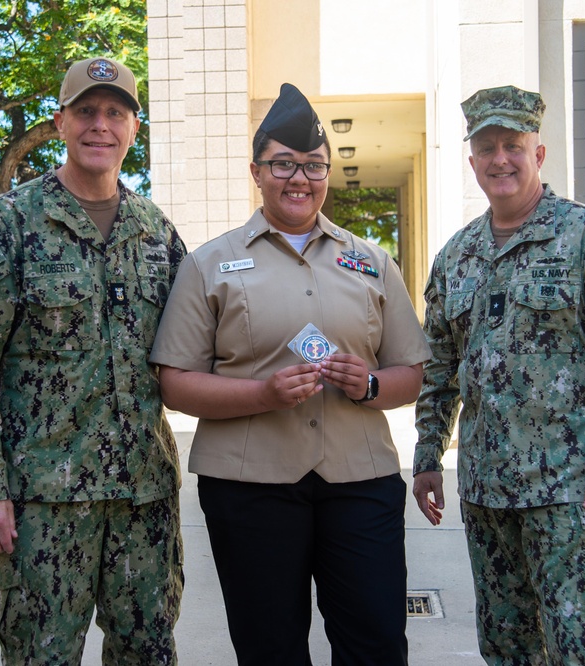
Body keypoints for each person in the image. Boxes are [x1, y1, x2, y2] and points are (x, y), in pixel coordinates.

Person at [150, 83, 430, 665]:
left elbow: (410, 372)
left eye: (313, 166)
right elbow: (175, 383)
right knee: (269, 647)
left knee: (376, 641)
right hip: (250, 488)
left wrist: (370, 384)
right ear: (257, 171)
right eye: (283, 164)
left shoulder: (373, 262)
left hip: (359, 482)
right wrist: (262, 392)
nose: (299, 178)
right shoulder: (209, 263)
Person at [0, 57, 185, 665]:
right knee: (39, 657)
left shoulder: (157, 233)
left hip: (141, 496)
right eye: (86, 112)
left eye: (116, 113)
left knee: (148, 653)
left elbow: (198, 349)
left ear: (134, 128)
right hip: (41, 502)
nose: (102, 125)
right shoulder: (11, 224)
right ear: (60, 123)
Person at [412, 85, 585, 665]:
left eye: (514, 144)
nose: (500, 158)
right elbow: (439, 369)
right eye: (487, 147)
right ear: (472, 160)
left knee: (579, 650)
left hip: (570, 495)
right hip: (487, 496)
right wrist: (429, 455)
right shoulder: (456, 257)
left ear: (539, 154)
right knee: (506, 649)